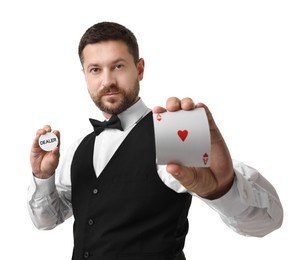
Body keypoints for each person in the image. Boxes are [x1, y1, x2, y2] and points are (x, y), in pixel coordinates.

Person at [27, 21, 283, 260]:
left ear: (139, 69)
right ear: (85, 75)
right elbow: (46, 221)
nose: (107, 81)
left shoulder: (173, 130)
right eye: (96, 70)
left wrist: (223, 189)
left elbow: (267, 221)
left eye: (118, 66)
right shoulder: (78, 148)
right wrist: (42, 177)